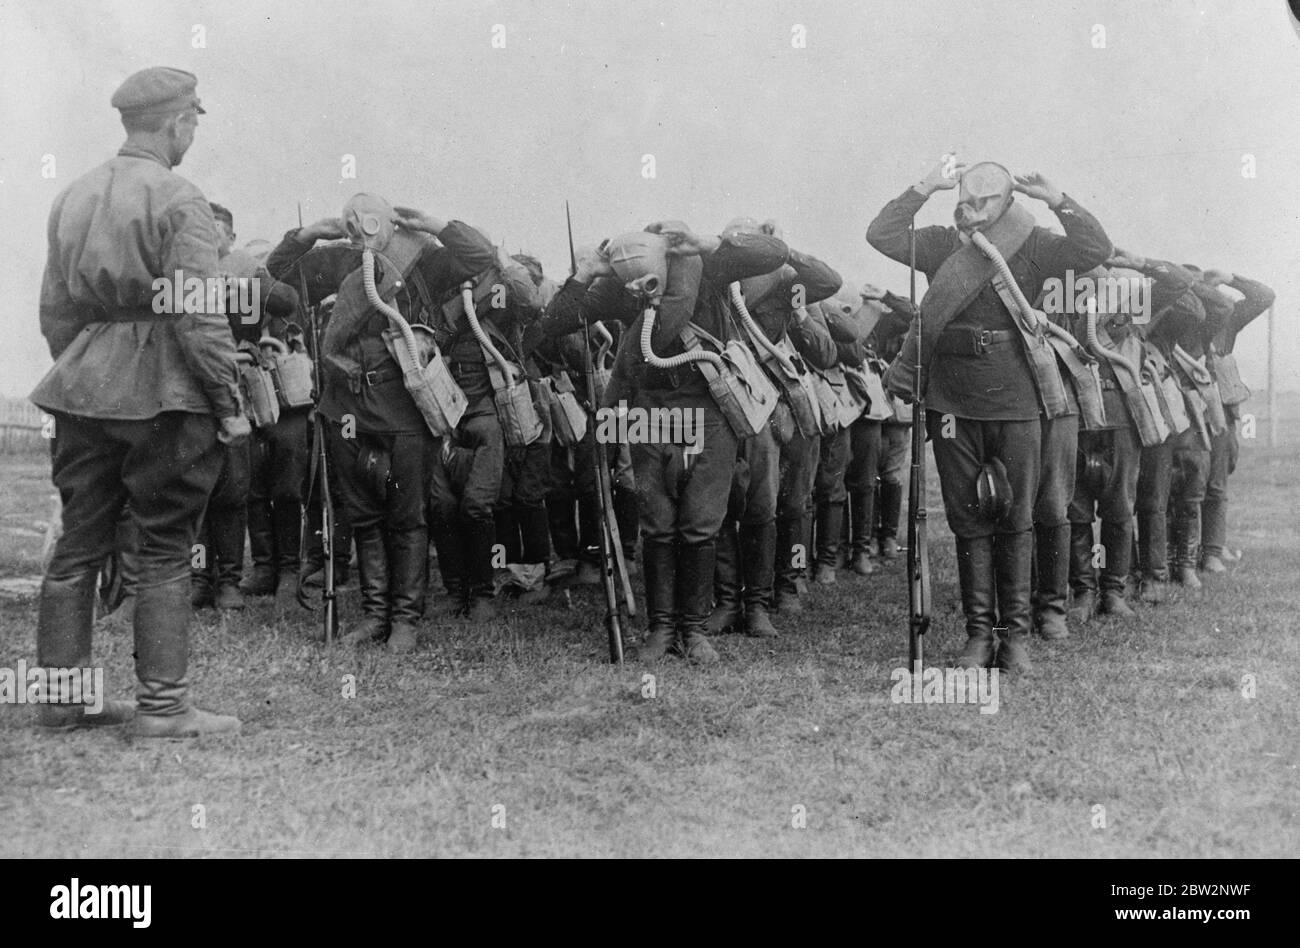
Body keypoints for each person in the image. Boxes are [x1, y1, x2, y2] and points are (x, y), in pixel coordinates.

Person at [31, 67, 245, 736]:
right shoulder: (180, 198)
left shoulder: (74, 194)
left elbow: (55, 312)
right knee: (163, 548)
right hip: (165, 397)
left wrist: (88, 372)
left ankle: (62, 701)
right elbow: (200, 316)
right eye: (192, 123)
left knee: (77, 547)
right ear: (178, 123)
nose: (191, 134)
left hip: (83, 388)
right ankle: (163, 708)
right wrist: (229, 403)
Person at [869, 157, 1112, 673]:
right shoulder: (940, 244)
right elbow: (881, 234)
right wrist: (923, 187)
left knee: (1018, 519)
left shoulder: (1032, 243)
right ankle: (980, 636)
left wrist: (1058, 198)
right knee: (969, 520)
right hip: (952, 399)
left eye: (984, 202)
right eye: (965, 199)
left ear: (1006, 206)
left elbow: (1094, 250)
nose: (972, 210)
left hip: (1018, 399)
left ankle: (1015, 637)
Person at [266, 195, 496, 648]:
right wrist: (310, 234)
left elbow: (482, 257)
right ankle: (375, 614)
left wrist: (437, 222)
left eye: (369, 218)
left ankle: (406, 620)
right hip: (346, 405)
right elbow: (278, 277)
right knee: (363, 514)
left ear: (391, 222)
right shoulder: (339, 261)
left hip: (405, 403)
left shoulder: (426, 260)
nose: (360, 228)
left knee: (407, 515)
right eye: (352, 220)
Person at [709, 218, 841, 637]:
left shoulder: (784, 282)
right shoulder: (713, 278)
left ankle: (767, 597)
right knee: (722, 504)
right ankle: (728, 601)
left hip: (769, 403)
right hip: (723, 401)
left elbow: (827, 281)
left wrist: (785, 249)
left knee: (770, 504)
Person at [1196, 268, 1274, 573]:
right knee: (1185, 483)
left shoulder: (1228, 317)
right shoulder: (1179, 314)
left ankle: (1213, 550)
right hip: (1183, 406)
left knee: (1218, 478)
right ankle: (1188, 554)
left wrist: (1230, 278)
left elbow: (1264, 296)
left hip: (1220, 407)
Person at [860, 285, 915, 561]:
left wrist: (886, 296)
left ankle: (888, 536)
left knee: (891, 475)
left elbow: (915, 314)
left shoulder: (888, 323)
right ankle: (867, 537)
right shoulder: (853, 325)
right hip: (866, 413)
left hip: (895, 413)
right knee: (867, 477)